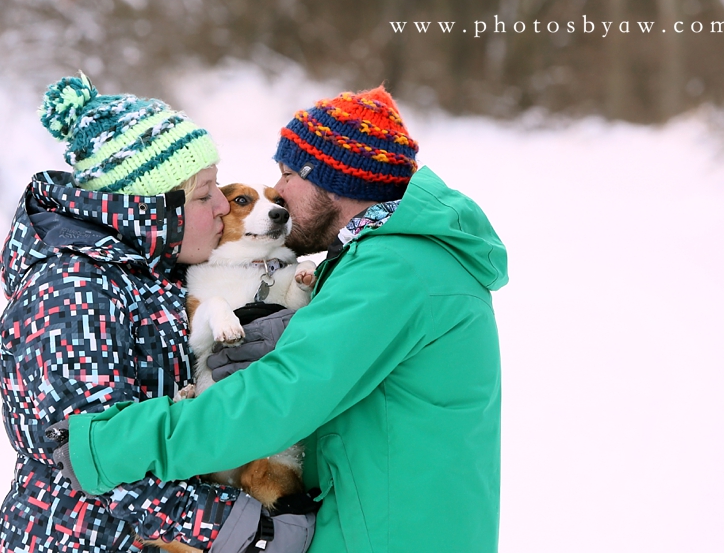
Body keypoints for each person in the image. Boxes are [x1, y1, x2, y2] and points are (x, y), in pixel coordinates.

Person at [57, 85, 510, 553]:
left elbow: (282, 395)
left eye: (289, 174)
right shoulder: (386, 258)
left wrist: (116, 445)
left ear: (336, 180)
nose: (281, 196)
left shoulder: (396, 269)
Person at [0, 74, 315, 553]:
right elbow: (94, 457)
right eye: (205, 195)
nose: (224, 205)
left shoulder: (155, 273)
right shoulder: (73, 292)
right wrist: (243, 526)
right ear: (149, 211)